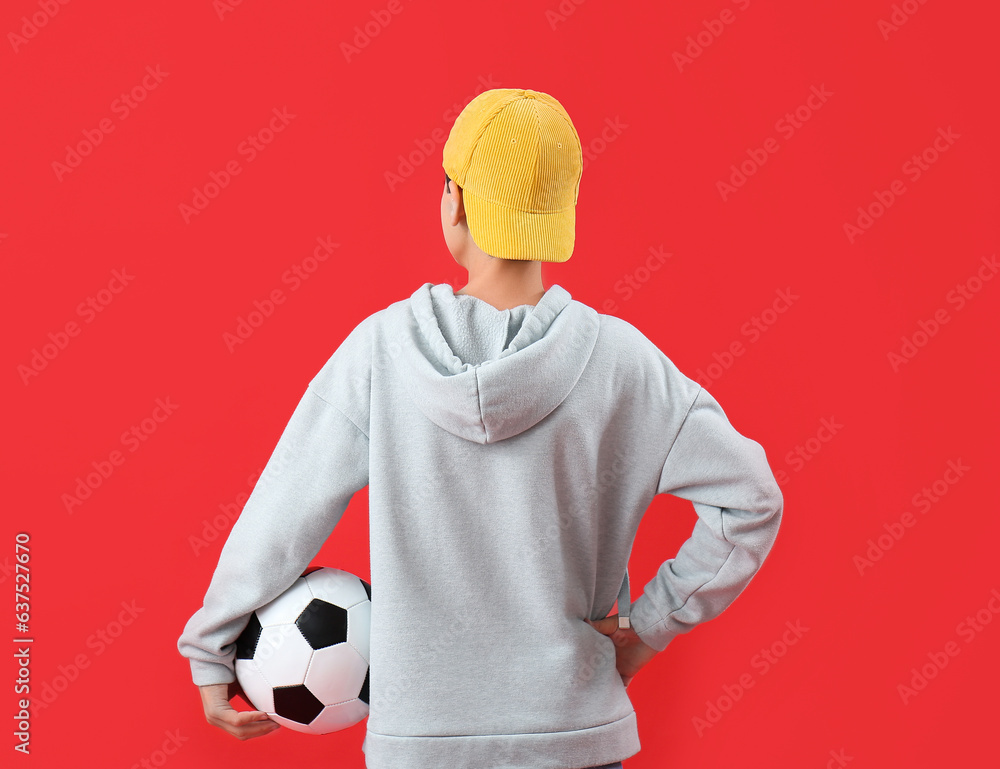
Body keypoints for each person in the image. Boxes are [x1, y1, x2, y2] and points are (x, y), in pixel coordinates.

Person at [177, 88, 783, 769]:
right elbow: (751, 499)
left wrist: (213, 644)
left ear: (455, 201)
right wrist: (648, 628)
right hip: (575, 735)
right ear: (561, 216)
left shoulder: (379, 354)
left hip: (421, 745)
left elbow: (285, 510)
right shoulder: (622, 364)